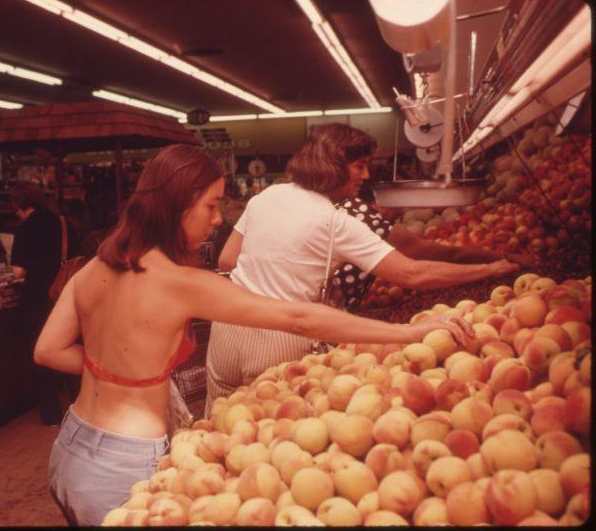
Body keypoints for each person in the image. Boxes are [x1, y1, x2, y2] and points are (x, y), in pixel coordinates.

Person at [33, 144, 474, 526]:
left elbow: (48, 351)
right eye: (211, 205)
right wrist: (408, 332)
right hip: (124, 464)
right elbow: (301, 319)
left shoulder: (93, 267)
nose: (218, 219)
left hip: (70, 450)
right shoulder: (180, 282)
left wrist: (118, 373)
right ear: (178, 204)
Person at [206, 123, 522, 415]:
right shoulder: (335, 223)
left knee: (215, 431)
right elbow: (413, 274)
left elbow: (227, 260)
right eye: (359, 165)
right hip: (279, 337)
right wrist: (489, 269)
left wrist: (274, 271)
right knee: (267, 433)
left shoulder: (268, 196)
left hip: (227, 326)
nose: (366, 175)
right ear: (332, 166)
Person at [10, 183, 63, 425]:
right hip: (60, 293)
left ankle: (51, 413)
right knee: (65, 344)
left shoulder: (23, 230)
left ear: (20, 205)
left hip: (36, 297)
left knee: (41, 352)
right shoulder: (57, 221)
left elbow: (18, 272)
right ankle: (76, 404)